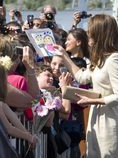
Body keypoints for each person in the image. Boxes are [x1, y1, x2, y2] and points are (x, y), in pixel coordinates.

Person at [54, 14, 118, 158]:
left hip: (109, 121)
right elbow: (82, 77)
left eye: (90, 32)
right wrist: (64, 56)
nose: (88, 36)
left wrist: (93, 100)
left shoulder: (114, 59)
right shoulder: (101, 59)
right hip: (96, 118)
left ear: (100, 34)